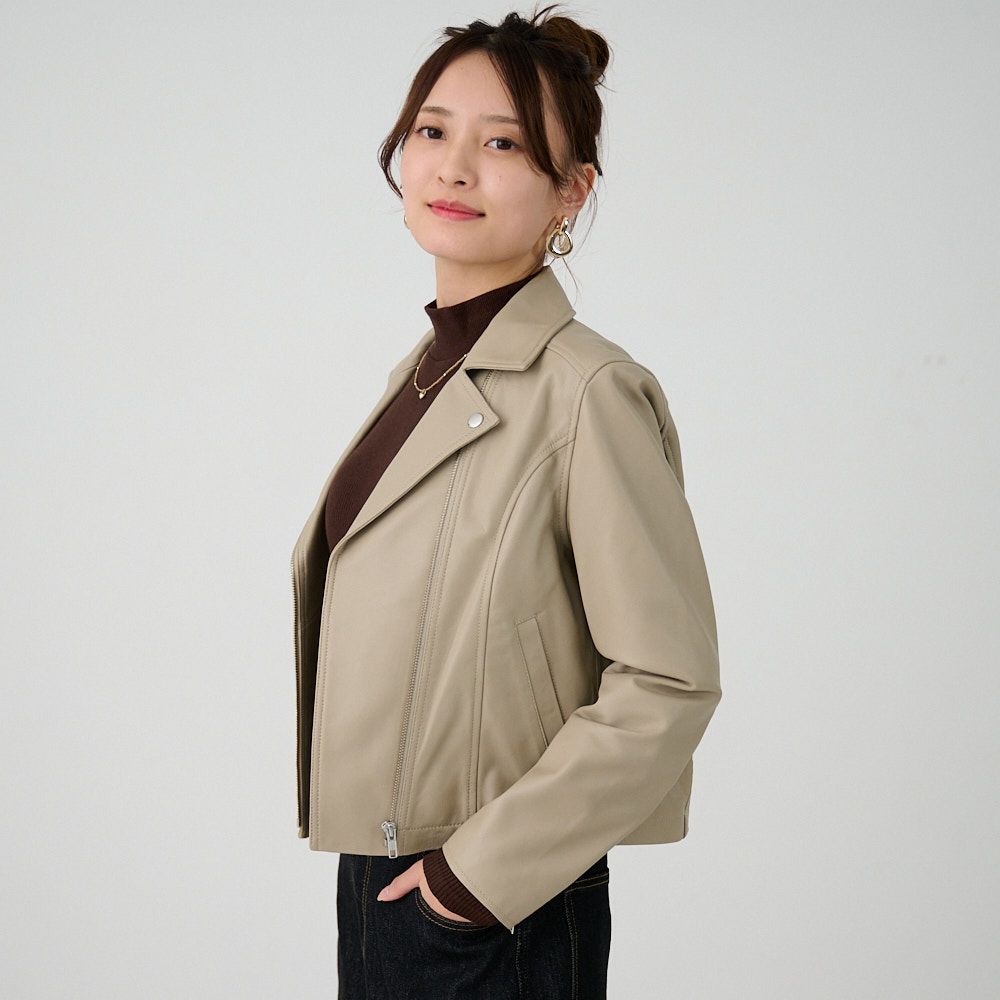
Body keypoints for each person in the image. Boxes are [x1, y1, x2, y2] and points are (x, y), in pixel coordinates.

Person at [289, 5, 722, 997]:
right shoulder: (427, 374)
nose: (452, 168)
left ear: (571, 191)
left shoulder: (587, 391)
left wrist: (472, 880)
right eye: (432, 130)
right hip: (385, 873)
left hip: (495, 900)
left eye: (503, 145)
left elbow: (668, 679)